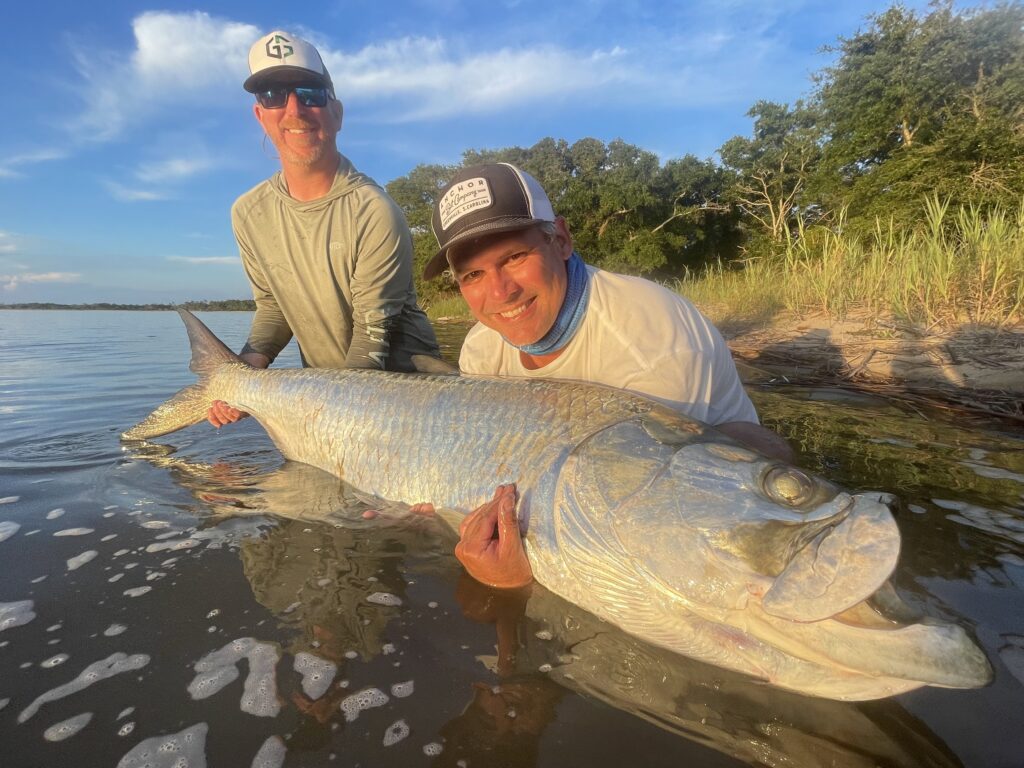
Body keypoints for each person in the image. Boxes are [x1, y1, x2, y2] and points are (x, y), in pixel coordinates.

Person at [423, 162, 793, 588]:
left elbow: (658, 522)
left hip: (710, 487)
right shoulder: (480, 347)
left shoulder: (651, 337)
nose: (501, 292)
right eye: (473, 275)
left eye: (514, 257)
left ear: (560, 240)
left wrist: (521, 580)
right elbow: (491, 464)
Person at [208, 30, 440, 427]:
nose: (294, 110)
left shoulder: (375, 211)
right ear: (259, 114)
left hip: (410, 403)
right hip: (333, 397)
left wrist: (322, 415)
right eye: (273, 96)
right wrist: (242, 374)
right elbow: (274, 308)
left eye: (310, 93)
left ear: (337, 113)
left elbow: (371, 342)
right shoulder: (247, 213)